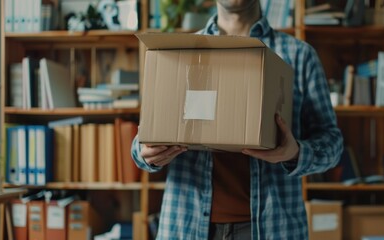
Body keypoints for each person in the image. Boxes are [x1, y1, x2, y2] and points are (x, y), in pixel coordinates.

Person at [131, 0, 343, 239]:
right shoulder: (179, 52)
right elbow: (143, 142)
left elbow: (333, 143)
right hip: (187, 226)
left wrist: (295, 153)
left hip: (272, 229)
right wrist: (146, 153)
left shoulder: (299, 55)